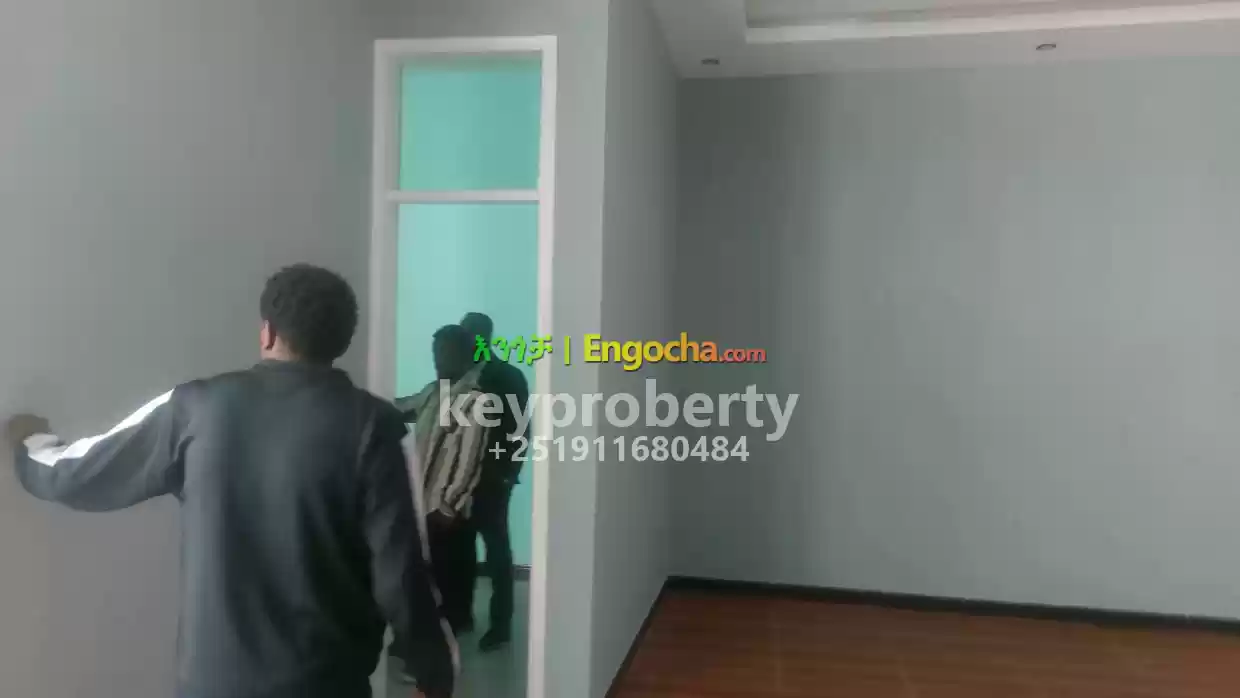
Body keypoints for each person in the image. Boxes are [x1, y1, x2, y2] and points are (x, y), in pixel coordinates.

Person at [4, 264, 456, 698]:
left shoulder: (196, 407)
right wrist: (432, 671)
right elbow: (403, 569)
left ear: (268, 333)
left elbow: (78, 472)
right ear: (342, 339)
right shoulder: (376, 427)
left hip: (213, 684)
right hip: (327, 684)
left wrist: (30, 442)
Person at [394, 325, 490, 644]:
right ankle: (424, 640)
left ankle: (442, 648)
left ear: (465, 355)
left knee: (446, 585)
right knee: (425, 579)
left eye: (446, 352)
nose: (438, 359)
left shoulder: (475, 400)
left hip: (445, 512)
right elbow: (401, 407)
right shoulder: (434, 392)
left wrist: (448, 507)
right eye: (436, 352)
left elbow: (470, 461)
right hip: (422, 503)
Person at [460, 312, 529, 652]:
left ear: (484, 337)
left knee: (497, 551)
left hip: (492, 477)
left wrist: (508, 475)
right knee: (460, 547)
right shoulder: (457, 374)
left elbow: (521, 429)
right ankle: (461, 615)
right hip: (459, 478)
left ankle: (500, 625)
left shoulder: (508, 376)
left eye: (470, 334)